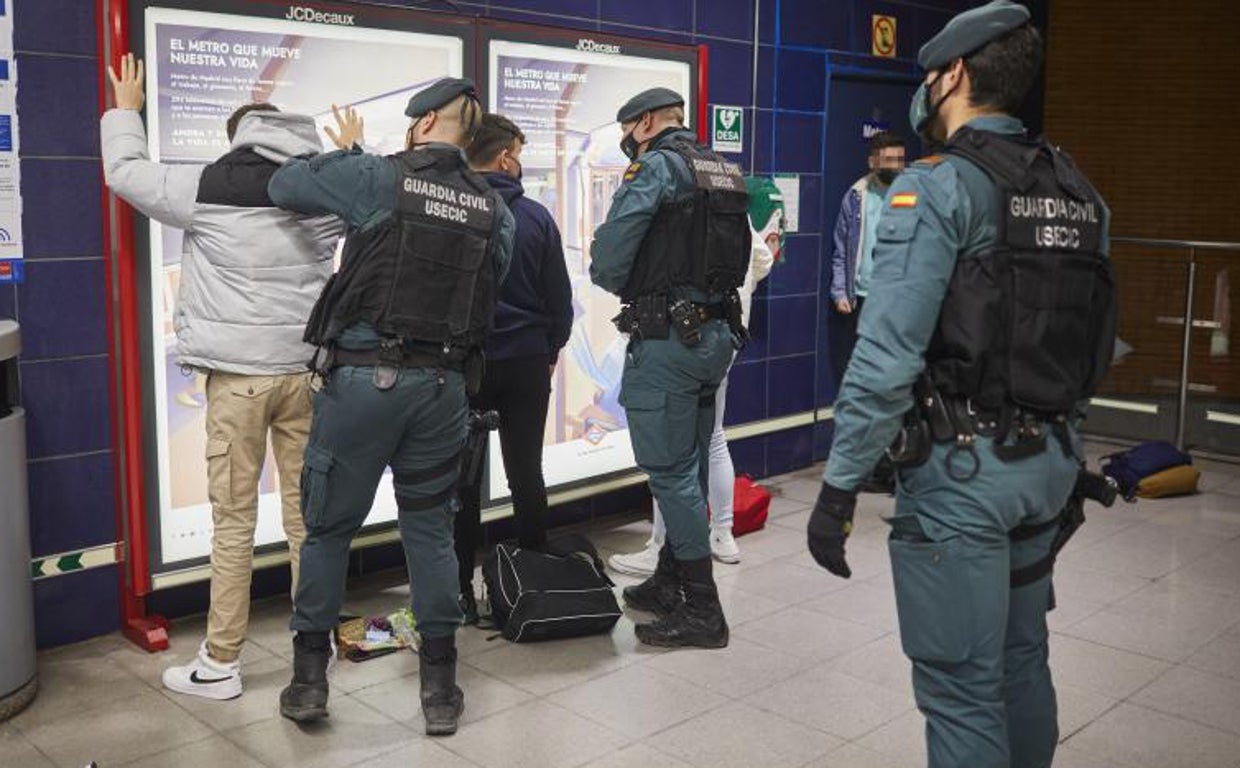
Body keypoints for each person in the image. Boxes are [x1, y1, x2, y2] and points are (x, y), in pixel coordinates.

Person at [805, 3, 1116, 767]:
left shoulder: (939, 187)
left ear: (951, 76)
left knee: (961, 687)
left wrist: (839, 487)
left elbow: (886, 354)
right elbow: (1096, 339)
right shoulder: (1077, 190)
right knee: (1021, 659)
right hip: (1049, 464)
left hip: (964, 475)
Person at [266, 79, 514, 735]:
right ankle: (440, 690)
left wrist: (347, 154)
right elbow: (492, 282)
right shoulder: (495, 209)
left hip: (361, 386)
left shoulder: (376, 178)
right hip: (443, 391)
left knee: (328, 530)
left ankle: (309, 681)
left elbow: (285, 185)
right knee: (429, 531)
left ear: (424, 122)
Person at [100, 54, 341, 701]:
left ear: (238, 135)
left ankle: (221, 665)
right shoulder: (325, 189)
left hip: (239, 384)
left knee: (234, 523)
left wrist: (126, 110)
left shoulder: (209, 184)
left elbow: (124, 173)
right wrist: (350, 153)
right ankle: (313, 648)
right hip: (306, 378)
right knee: (308, 521)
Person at [590, 88, 751, 649]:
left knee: (671, 472)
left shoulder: (655, 167)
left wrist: (611, 272)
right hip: (715, 336)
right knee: (693, 460)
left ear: (644, 124)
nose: (628, 139)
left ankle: (703, 610)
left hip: (669, 342)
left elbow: (610, 259)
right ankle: (670, 579)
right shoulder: (718, 167)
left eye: (628, 129)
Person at [609, 181, 783, 576]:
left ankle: (662, 545)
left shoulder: (680, 217)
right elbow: (763, 259)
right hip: (727, 337)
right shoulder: (730, 213)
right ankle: (722, 533)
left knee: (670, 448)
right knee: (714, 436)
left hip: (685, 340)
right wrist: (744, 290)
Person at [455, 113, 573, 622]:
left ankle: (460, 592)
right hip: (526, 360)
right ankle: (534, 579)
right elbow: (559, 299)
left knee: (462, 482)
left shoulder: (453, 210)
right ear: (505, 158)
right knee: (526, 471)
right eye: (519, 155)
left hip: (467, 364)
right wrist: (550, 350)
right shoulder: (536, 217)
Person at [828, 130, 906, 389]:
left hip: (897, 295)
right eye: (889, 160)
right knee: (861, 364)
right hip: (862, 296)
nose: (895, 167)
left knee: (893, 364)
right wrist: (840, 291)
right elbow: (841, 249)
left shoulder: (913, 195)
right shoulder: (856, 195)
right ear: (873, 162)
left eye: (900, 160)